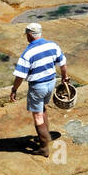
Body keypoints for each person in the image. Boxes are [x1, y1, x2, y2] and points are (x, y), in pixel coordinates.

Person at [9, 22, 68, 157]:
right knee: (43, 108)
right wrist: (64, 77)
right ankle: (46, 135)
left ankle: (43, 147)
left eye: (27, 35)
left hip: (37, 86)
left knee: (37, 115)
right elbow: (62, 64)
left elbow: (20, 76)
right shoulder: (52, 45)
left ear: (29, 35)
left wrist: (14, 89)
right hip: (51, 82)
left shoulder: (28, 53)